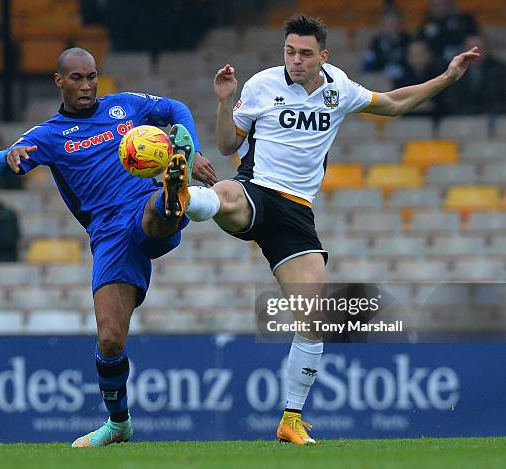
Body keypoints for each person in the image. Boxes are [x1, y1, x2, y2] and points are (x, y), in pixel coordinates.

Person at [181, 13, 480, 444]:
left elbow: (394, 103)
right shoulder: (262, 85)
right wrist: (225, 101)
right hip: (257, 188)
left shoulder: (338, 88)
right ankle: (183, 197)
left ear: (323, 55)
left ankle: (290, 420)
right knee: (225, 195)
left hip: (298, 213)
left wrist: (448, 77)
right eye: (289, 52)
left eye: (304, 54)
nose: (295, 61)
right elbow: (228, 146)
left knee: (313, 318)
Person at [0, 48, 216, 447]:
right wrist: (7, 155)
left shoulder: (125, 107)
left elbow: (177, 108)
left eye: (92, 76)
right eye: (77, 78)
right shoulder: (48, 134)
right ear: (60, 81)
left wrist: (193, 148)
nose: (87, 86)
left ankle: (174, 194)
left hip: (141, 205)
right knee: (110, 340)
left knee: (154, 212)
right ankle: (118, 423)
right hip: (107, 233)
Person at [442, 34, 506, 115]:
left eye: (479, 48)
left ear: (487, 49)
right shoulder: (453, 69)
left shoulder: (500, 70)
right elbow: (450, 100)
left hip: (494, 118)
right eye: (470, 49)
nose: (475, 53)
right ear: (464, 50)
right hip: (460, 118)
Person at [393, 39, 445, 118]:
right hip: (407, 124)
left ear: (429, 55)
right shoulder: (400, 81)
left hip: (434, 123)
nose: (417, 57)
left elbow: (442, 105)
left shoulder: (439, 78)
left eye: (421, 53)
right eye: (414, 54)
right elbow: (396, 105)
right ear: (407, 57)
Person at [361, 8, 409, 80]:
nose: (392, 27)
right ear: (383, 25)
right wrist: (384, 69)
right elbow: (367, 65)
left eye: (394, 23)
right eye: (388, 24)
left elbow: (412, 62)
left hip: (404, 78)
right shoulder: (376, 41)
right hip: (381, 78)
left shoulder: (407, 40)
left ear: (400, 24)